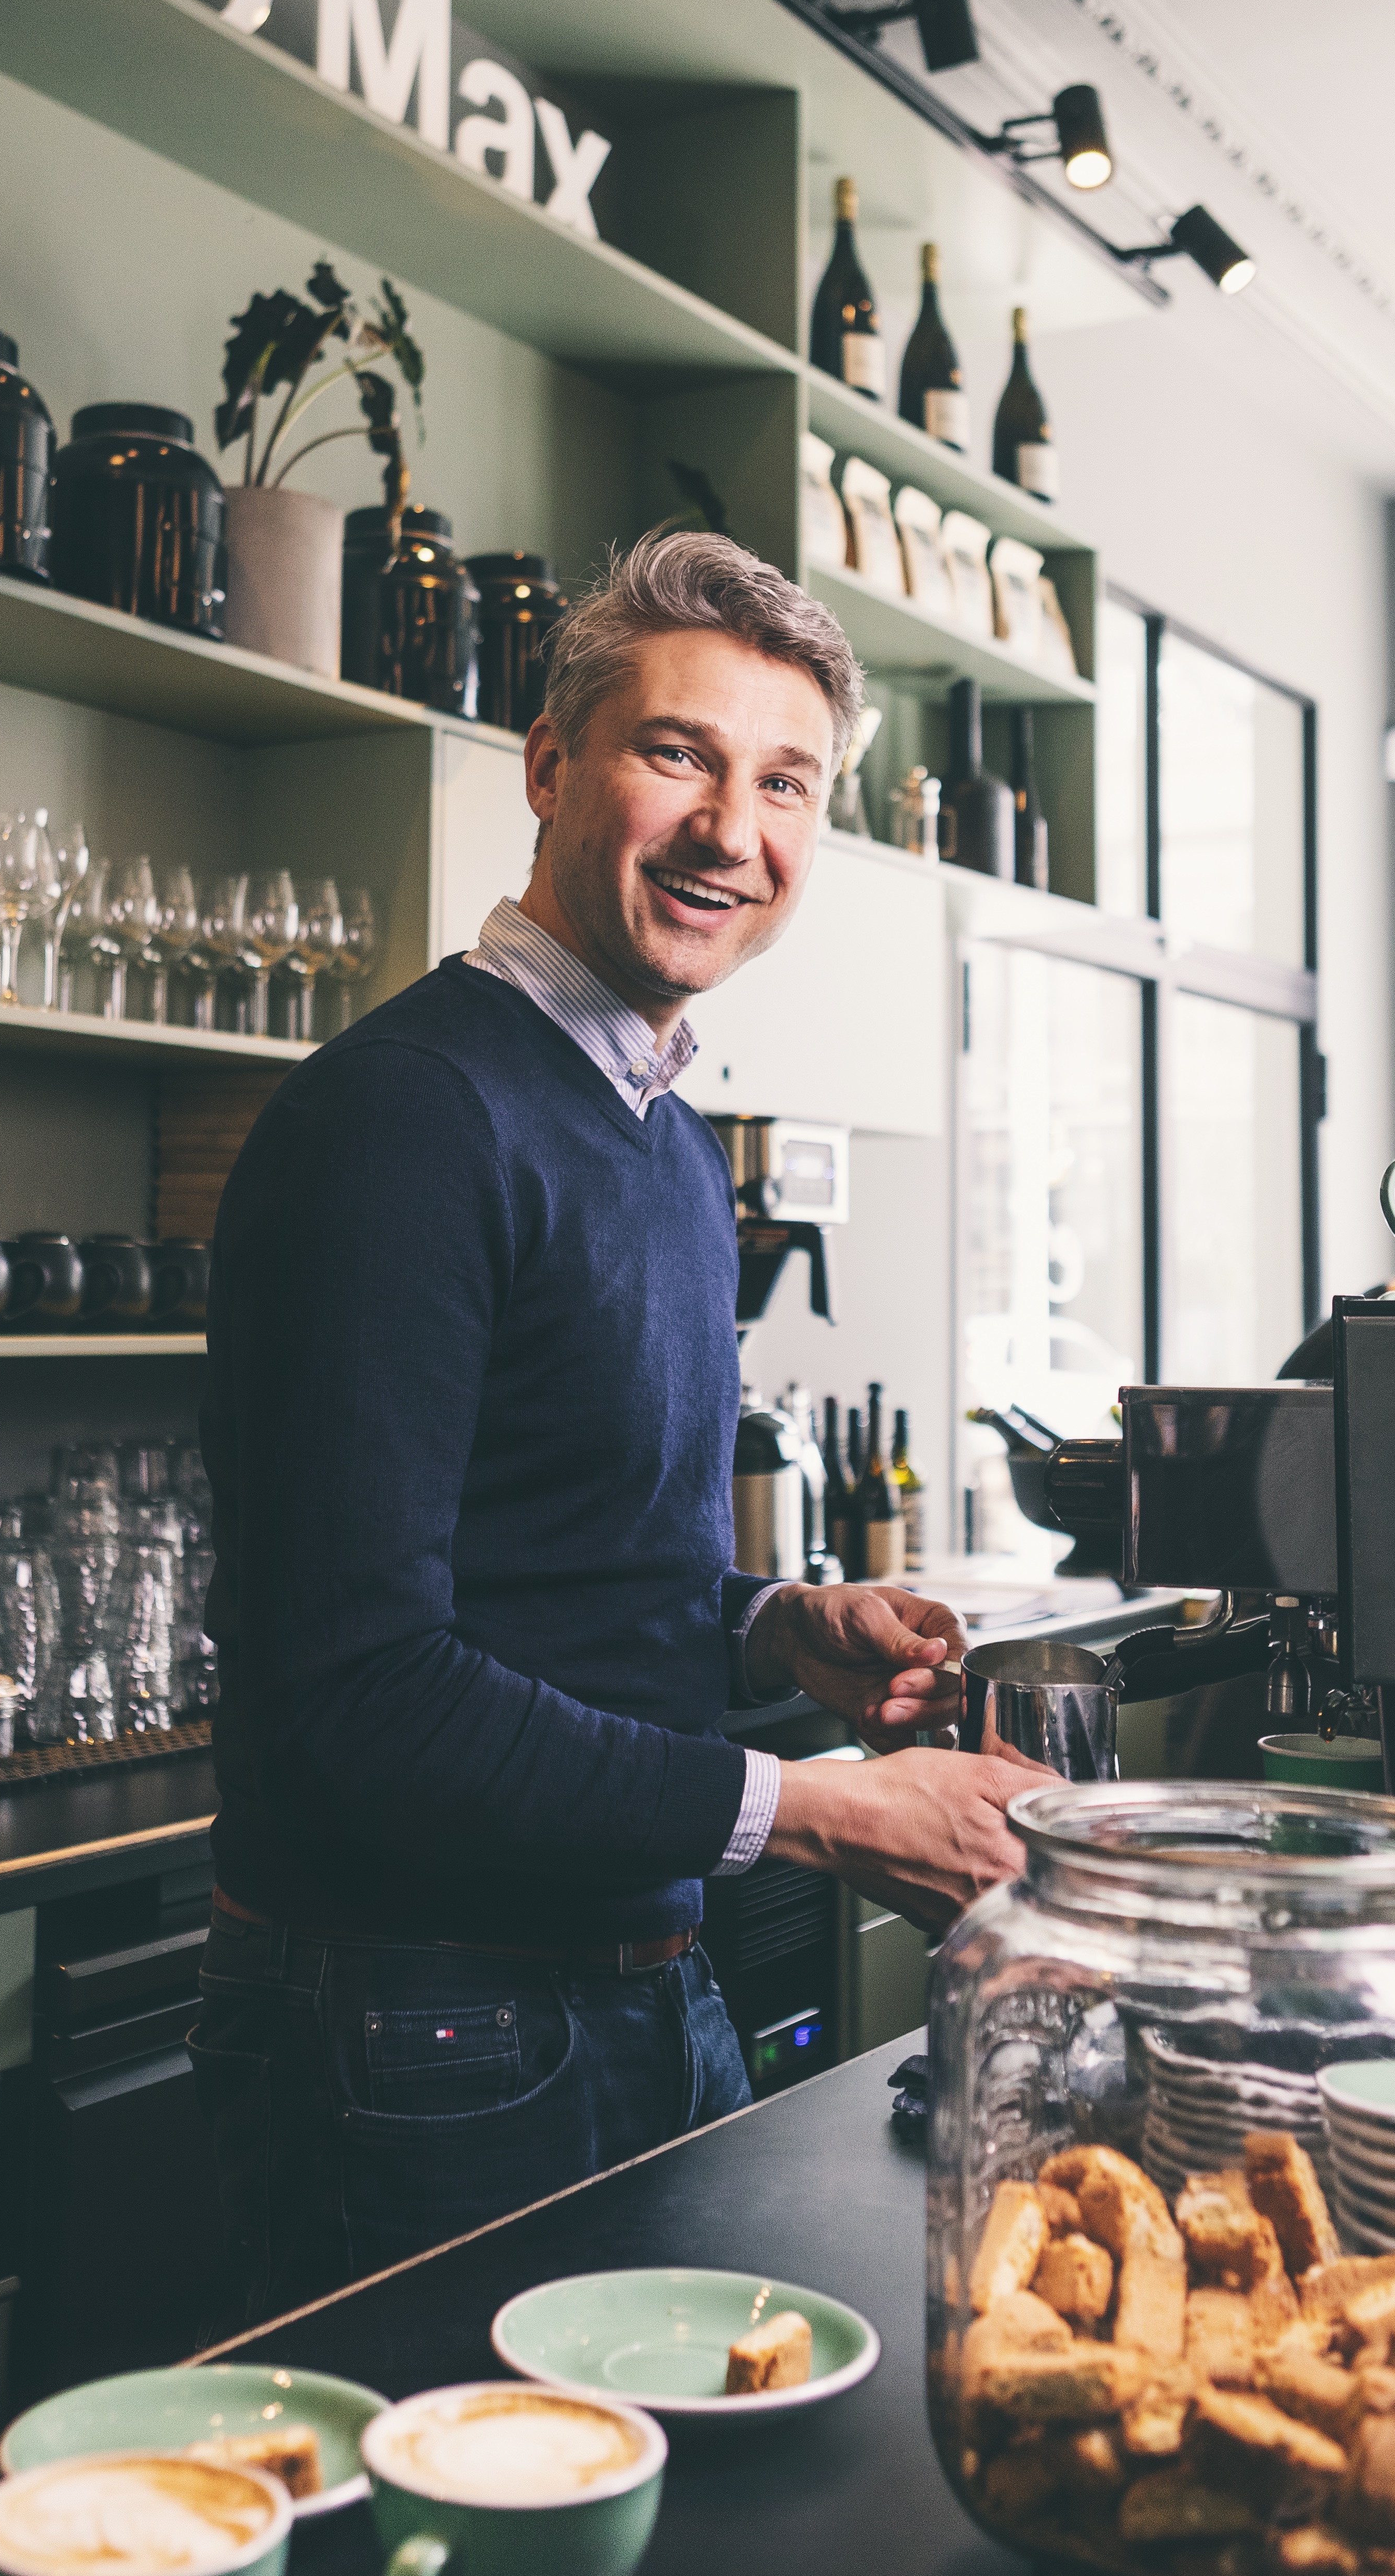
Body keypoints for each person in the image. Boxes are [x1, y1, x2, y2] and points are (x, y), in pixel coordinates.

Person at [192, 528, 1054, 2325]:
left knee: (692, 2568)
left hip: (629, 1986)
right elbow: (356, 1692)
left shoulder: (662, 1140)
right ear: (549, 765)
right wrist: (823, 1809)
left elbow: (559, 1554)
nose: (732, 828)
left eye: (786, 781)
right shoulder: (408, 1121)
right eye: (679, 754)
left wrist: (765, 1626)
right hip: (422, 2027)